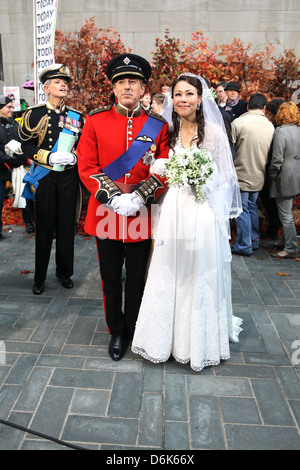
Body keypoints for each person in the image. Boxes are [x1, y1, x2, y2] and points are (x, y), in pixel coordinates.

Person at [131, 73, 243, 372]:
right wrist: (156, 164)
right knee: (168, 270)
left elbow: (224, 178)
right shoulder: (167, 130)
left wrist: (199, 178)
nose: (182, 99)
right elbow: (155, 163)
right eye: (178, 94)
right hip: (174, 209)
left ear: (200, 98)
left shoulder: (215, 135)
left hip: (201, 211)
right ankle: (161, 340)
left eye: (189, 94)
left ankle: (195, 343)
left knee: (196, 273)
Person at [77, 53, 170, 361]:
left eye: (133, 81)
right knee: (110, 276)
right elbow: (87, 165)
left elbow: (165, 168)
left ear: (144, 88)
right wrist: (113, 195)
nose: (127, 87)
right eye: (121, 82)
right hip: (107, 208)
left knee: (138, 277)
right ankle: (116, 330)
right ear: (113, 88)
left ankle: (134, 327)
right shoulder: (95, 120)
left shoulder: (158, 126)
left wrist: (140, 196)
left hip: (142, 211)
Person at [19, 64, 84, 295]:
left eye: (65, 82)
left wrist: (74, 157)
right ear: (46, 88)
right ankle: (39, 277)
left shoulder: (76, 116)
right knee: (44, 229)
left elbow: (84, 146)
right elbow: (25, 145)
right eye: (58, 82)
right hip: (45, 179)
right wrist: (47, 155)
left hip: (67, 177)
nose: (63, 85)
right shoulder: (33, 114)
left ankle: (64, 273)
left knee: (67, 228)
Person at [231, 93, 274, 256]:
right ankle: (254, 240)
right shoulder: (269, 126)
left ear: (248, 106)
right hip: (259, 174)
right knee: (252, 207)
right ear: (264, 108)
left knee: (241, 210)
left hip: (240, 173)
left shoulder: (238, 123)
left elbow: (231, 149)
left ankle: (244, 245)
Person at [269, 101, 300, 259]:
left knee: (285, 215)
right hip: (296, 176)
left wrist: (271, 175)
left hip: (284, 177)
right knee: (286, 212)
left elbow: (277, 159)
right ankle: (285, 241)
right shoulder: (298, 130)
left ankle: (290, 247)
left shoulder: (281, 132)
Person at [0, 95, 28, 240]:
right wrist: (8, 160)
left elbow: (22, 143)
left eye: (12, 107)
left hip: (17, 167)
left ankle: (29, 223)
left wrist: (20, 159)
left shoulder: (16, 125)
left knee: (25, 194)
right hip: (2, 168)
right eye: (9, 107)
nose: (12, 109)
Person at [260, 98, 285, 240]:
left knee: (272, 204)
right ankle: (275, 229)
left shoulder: (277, 130)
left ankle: (274, 231)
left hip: (273, 171)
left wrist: (271, 172)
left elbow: (275, 156)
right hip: (286, 173)